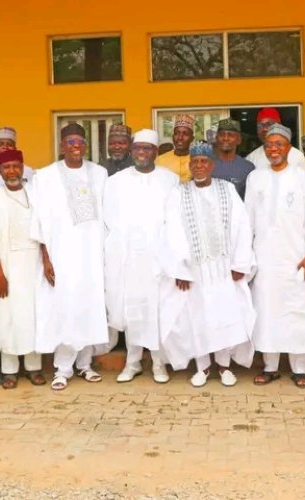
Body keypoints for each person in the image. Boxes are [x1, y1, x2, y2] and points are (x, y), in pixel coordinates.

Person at [158, 142, 255, 387]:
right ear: (190, 166)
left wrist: (240, 263)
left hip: (224, 269)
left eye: (204, 162)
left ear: (212, 165)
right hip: (195, 271)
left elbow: (242, 225)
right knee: (198, 318)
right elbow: (171, 231)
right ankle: (203, 367)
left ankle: (224, 367)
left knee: (224, 316)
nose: (199, 166)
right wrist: (180, 270)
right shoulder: (179, 193)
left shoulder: (227, 189)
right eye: (195, 162)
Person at [30, 122, 109, 390]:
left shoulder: (99, 174)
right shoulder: (45, 176)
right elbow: (38, 220)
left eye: (80, 142)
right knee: (64, 308)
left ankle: (85, 364)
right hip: (61, 255)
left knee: (89, 306)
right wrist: (46, 258)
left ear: (86, 146)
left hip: (92, 254)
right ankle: (62, 369)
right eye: (70, 142)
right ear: (62, 146)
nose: (76, 146)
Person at [245, 124, 305, 388]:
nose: (273, 149)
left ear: (289, 147)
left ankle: (299, 368)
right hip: (264, 258)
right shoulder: (255, 178)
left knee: (297, 310)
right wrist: (246, 256)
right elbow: (247, 221)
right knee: (266, 311)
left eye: (279, 144)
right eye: (269, 145)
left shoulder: (303, 178)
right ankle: (270, 367)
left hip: (296, 257)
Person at [104, 129, 178, 384]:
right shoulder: (116, 181)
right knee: (133, 310)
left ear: (156, 152)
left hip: (160, 258)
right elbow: (109, 220)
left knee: (157, 311)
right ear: (131, 150)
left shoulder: (170, 180)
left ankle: (159, 363)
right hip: (129, 258)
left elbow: (175, 220)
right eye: (137, 148)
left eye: (147, 148)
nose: (141, 153)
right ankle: (132, 362)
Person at [0, 149, 45, 389]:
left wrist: (47, 262)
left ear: (23, 167)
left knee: (32, 316)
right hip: (6, 267)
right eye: (6, 167)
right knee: (7, 317)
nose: (12, 171)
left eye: (16, 166)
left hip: (33, 264)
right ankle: (9, 370)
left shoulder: (34, 194)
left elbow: (44, 230)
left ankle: (34, 367)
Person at [212, 118, 255, 200]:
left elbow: (252, 200)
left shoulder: (247, 168)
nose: (225, 138)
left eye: (230, 135)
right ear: (216, 138)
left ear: (239, 140)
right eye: (222, 135)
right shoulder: (204, 164)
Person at [157, 114, 194, 182]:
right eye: (176, 133)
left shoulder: (198, 161)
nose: (180, 138)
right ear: (172, 137)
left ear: (192, 138)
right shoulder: (160, 160)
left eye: (185, 134)